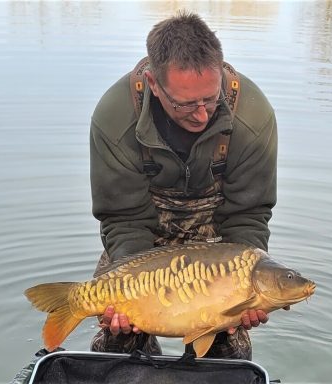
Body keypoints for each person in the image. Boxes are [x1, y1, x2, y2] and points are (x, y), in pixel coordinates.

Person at [89, 11, 282, 360]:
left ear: (221, 73)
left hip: (220, 248)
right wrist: (135, 289)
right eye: (185, 104)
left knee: (228, 350)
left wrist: (243, 288)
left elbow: (249, 215)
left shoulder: (252, 116)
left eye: (210, 99)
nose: (203, 114)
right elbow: (123, 219)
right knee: (117, 346)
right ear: (153, 83)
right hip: (141, 243)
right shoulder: (114, 116)